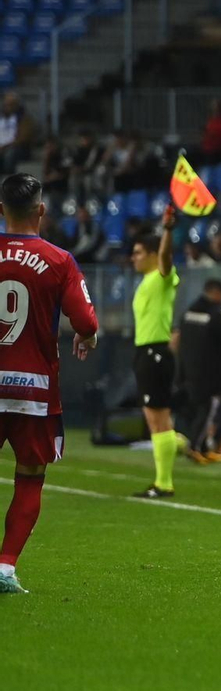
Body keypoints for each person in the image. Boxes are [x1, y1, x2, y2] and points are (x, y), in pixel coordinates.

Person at [0, 173, 99, 594]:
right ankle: (5, 568)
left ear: (1, 210)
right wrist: (86, 336)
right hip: (33, 389)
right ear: (41, 210)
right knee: (30, 474)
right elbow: (86, 321)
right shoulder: (59, 261)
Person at [129, 207, 182, 498]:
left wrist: (168, 231)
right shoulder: (146, 282)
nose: (134, 257)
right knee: (156, 418)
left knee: (157, 418)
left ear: (152, 253)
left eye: (138, 253)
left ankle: (164, 483)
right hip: (146, 352)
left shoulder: (162, 276)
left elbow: (166, 258)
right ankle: (168, 468)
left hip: (155, 352)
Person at [176, 278, 221, 461]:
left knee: (196, 409)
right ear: (218, 293)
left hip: (188, 371)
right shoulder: (219, 313)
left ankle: (201, 447)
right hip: (211, 374)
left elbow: (179, 341)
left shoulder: (188, 312)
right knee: (208, 410)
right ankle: (196, 447)